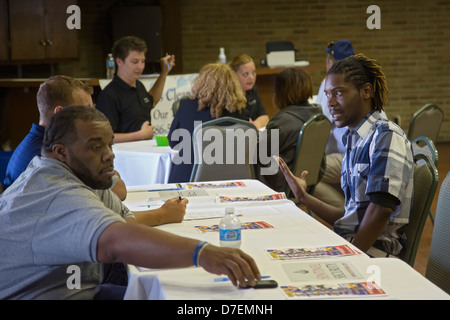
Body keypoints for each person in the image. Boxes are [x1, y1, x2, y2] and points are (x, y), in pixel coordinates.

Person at [0, 105, 261, 300]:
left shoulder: (74, 174)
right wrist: (202, 253)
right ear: (60, 151)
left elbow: (124, 221)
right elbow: (115, 241)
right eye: (95, 147)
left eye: (109, 145)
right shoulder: (54, 192)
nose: (110, 156)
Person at [276, 54, 414, 258]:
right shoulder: (354, 139)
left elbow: (381, 211)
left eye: (338, 93)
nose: (330, 103)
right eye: (327, 94)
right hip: (354, 243)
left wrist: (351, 259)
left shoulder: (385, 135)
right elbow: (350, 218)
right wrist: (304, 198)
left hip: (375, 252)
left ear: (366, 91)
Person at [2, 75, 186, 226]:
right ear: (60, 113)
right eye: (86, 110)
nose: (93, 116)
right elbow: (108, 213)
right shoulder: (51, 158)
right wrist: (162, 214)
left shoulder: (39, 144)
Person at [167, 63, 249, 183]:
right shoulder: (241, 112)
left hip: (187, 178)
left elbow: (173, 142)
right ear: (233, 84)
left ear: (201, 82)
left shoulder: (186, 107)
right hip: (230, 181)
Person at [96, 36, 175, 143]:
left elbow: (152, 101)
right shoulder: (109, 95)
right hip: (126, 156)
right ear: (119, 62)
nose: (140, 67)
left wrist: (164, 73)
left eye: (143, 61)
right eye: (135, 62)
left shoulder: (139, 86)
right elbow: (105, 136)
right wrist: (140, 135)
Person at [256, 67, 322, 192]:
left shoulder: (282, 122)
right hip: (309, 182)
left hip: (284, 185)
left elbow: (259, 153)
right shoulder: (318, 116)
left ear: (280, 93)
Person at [314, 40, 355, 209]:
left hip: (352, 158)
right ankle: (350, 208)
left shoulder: (329, 83)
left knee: (305, 171)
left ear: (330, 62)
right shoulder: (363, 82)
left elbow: (319, 124)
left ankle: (346, 213)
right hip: (363, 155)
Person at [229, 54, 269, 130]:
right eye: (246, 74)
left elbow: (265, 117)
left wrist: (255, 125)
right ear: (234, 75)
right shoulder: (229, 95)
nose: (251, 77)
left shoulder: (253, 90)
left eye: (253, 73)